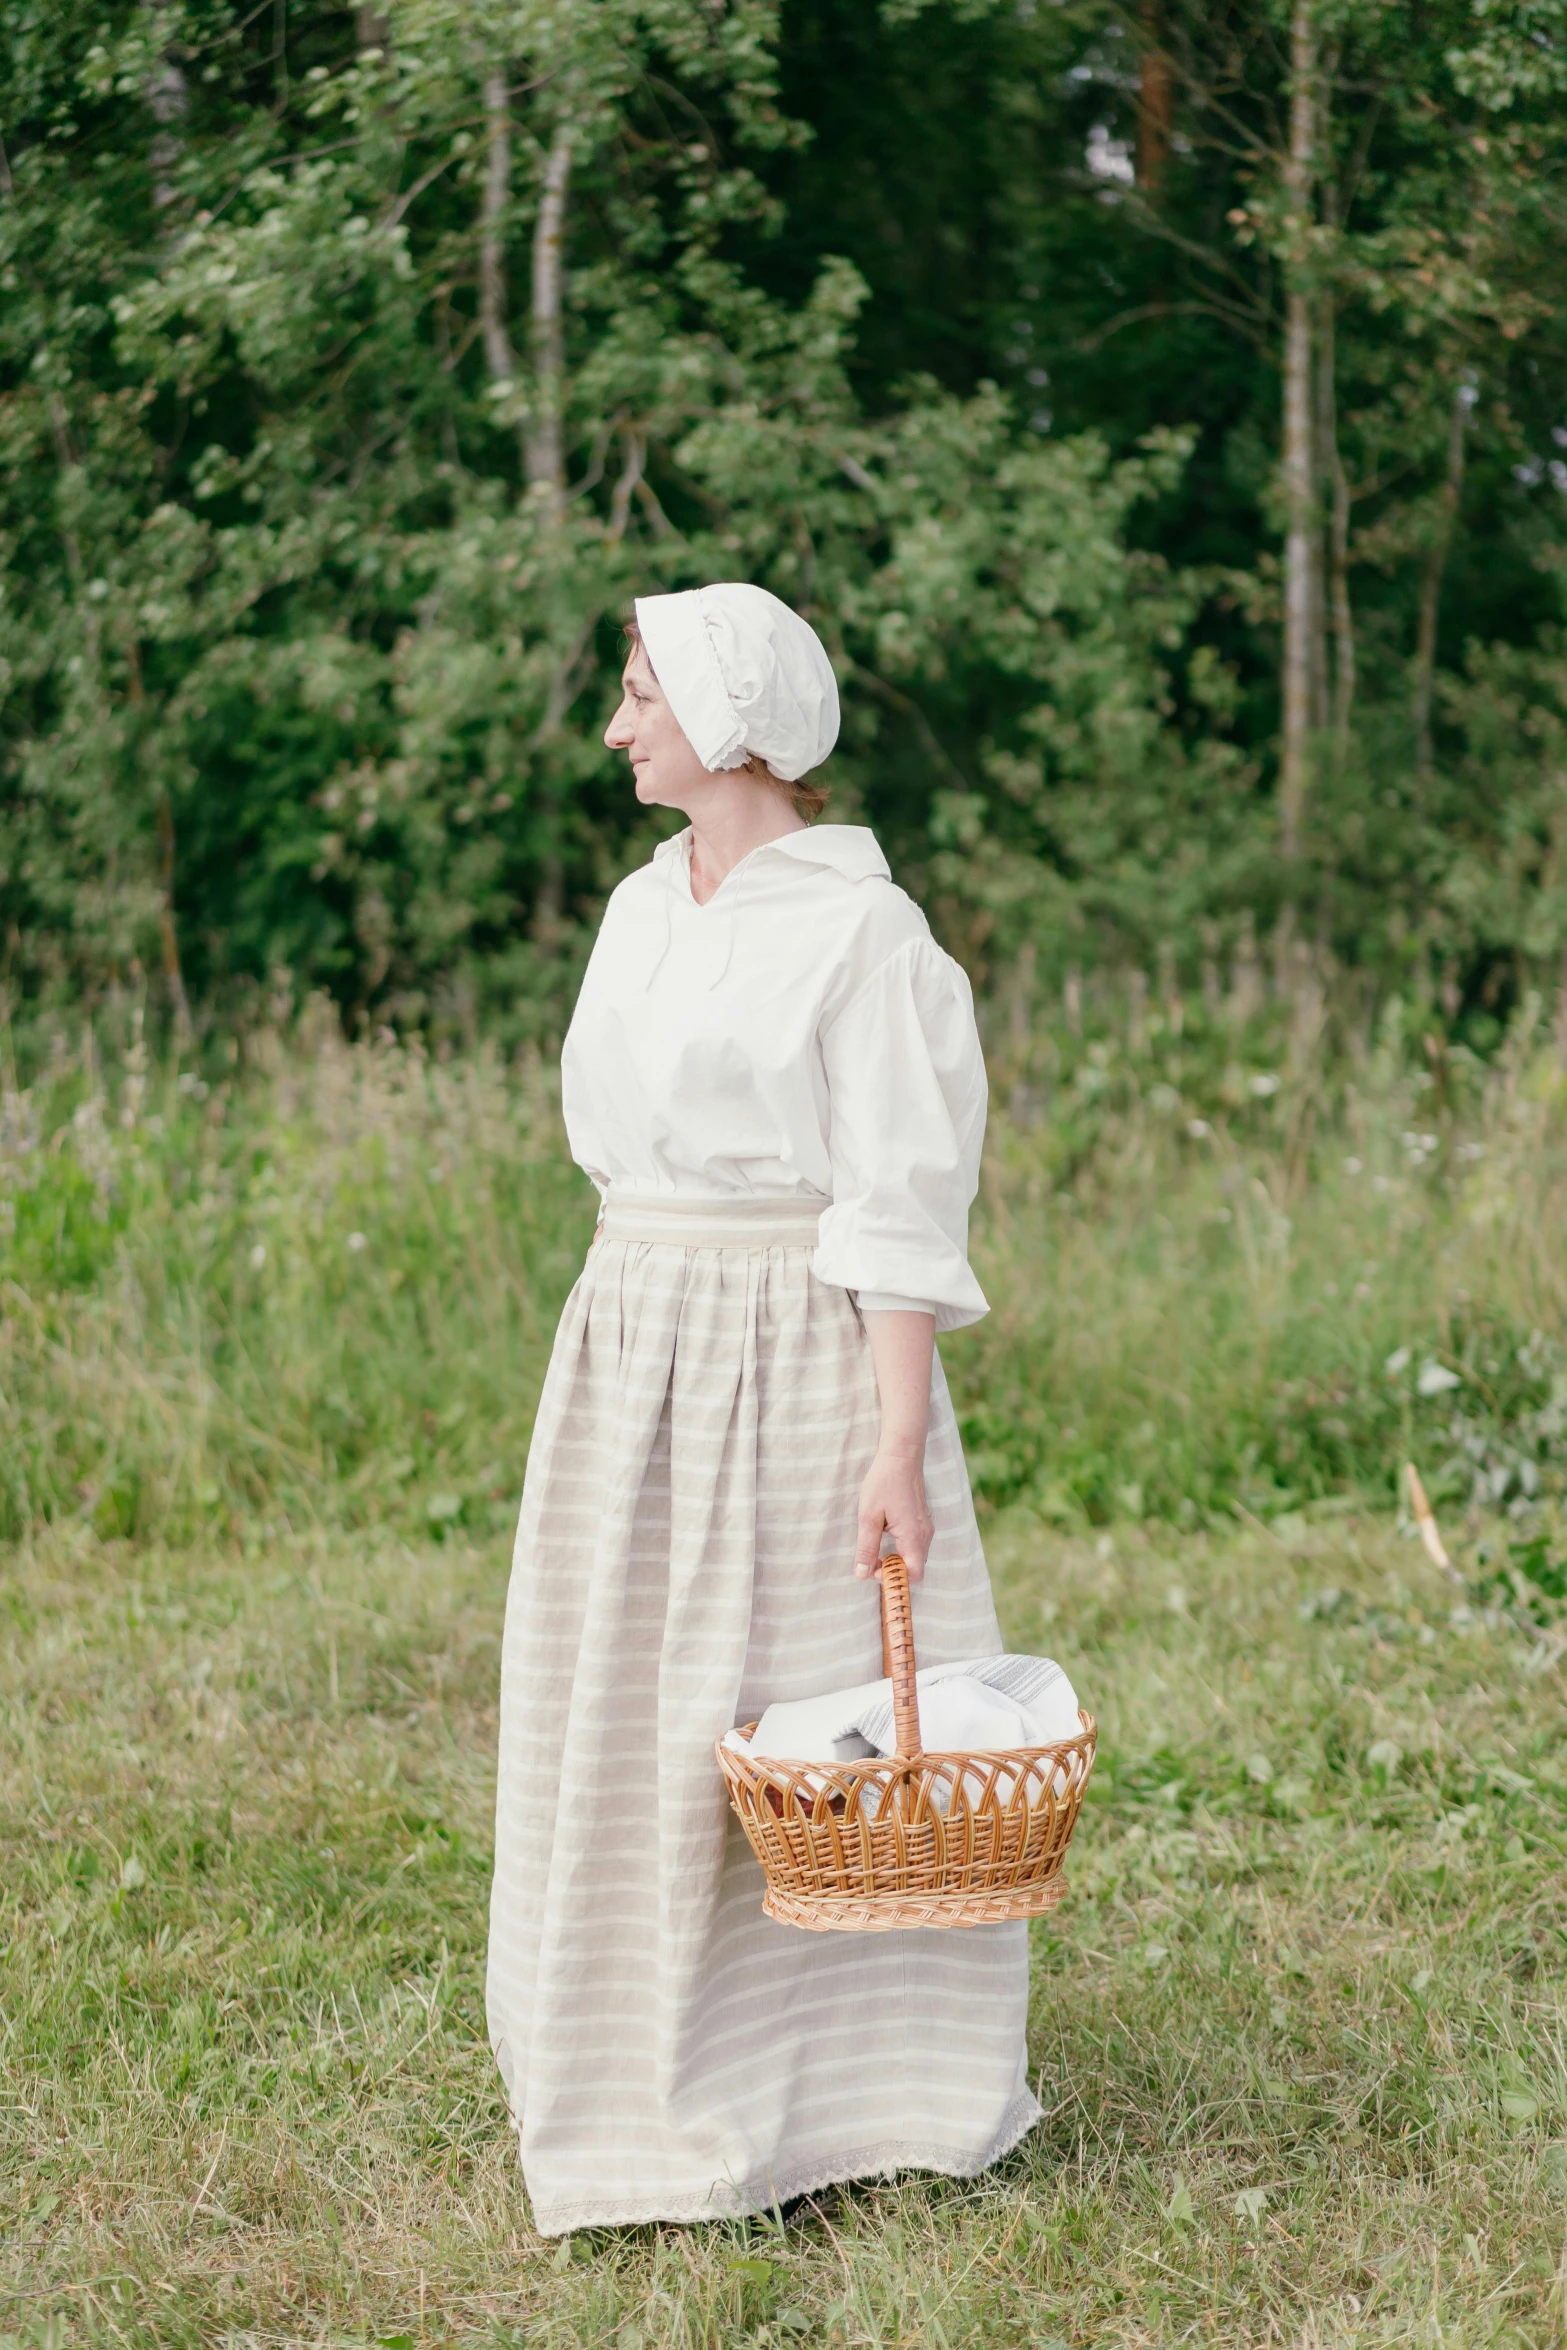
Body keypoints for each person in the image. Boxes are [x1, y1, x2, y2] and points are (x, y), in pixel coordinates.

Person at [486, 581, 1038, 2234]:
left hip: (795, 1355)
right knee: (627, 1699)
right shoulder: (638, 909)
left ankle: (853, 2091)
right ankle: (623, 2061)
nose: (615, 725)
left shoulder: (867, 938)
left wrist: (892, 1440)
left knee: (798, 1714)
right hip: (634, 1332)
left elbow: (893, 1205)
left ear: (726, 719)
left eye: (640, 693)